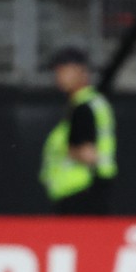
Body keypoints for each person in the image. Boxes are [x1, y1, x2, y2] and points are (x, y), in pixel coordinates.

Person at [39, 45, 118, 213]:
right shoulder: (92, 103)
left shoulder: (83, 107)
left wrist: (63, 152)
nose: (58, 76)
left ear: (80, 71)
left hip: (81, 194)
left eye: (63, 70)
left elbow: (88, 153)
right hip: (87, 193)